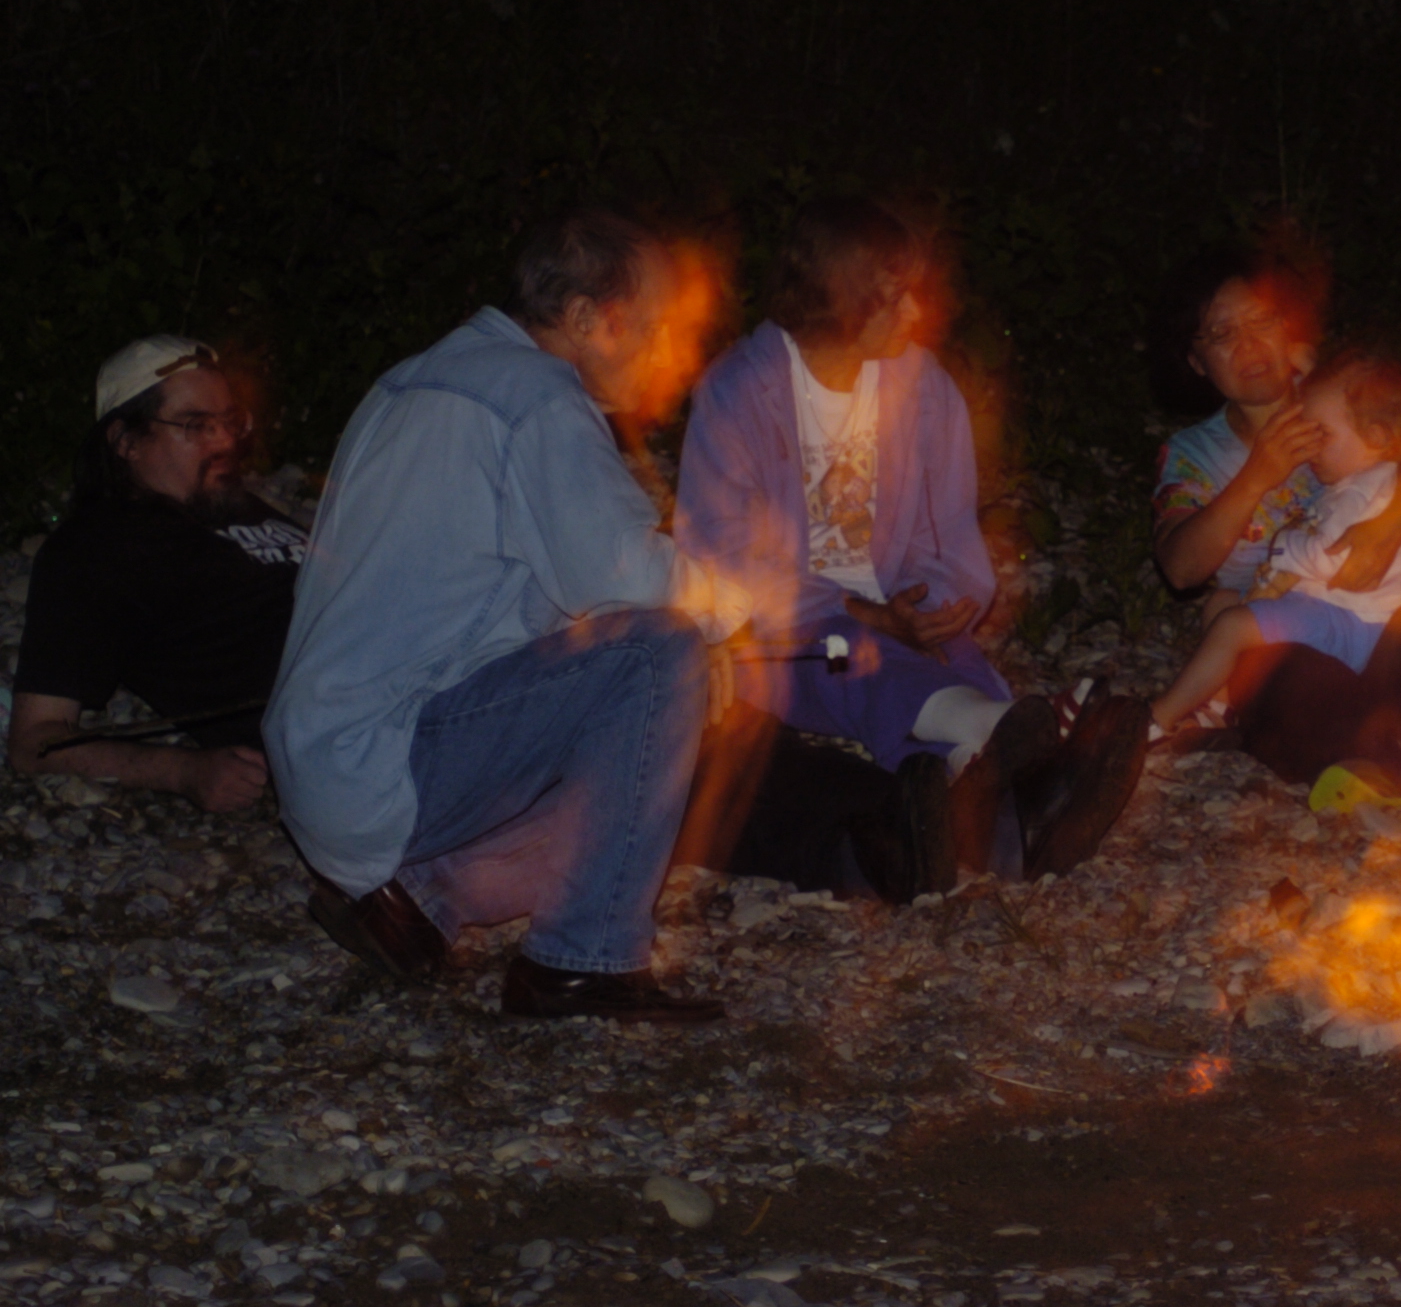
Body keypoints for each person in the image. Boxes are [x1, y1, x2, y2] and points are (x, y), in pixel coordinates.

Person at [266, 211, 740, 1023]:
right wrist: (740, 607)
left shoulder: (419, 376)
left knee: (638, 738)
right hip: (387, 758)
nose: (665, 348)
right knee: (657, 656)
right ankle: (581, 962)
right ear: (585, 318)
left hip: (326, 764)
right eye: (653, 325)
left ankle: (422, 899)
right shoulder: (536, 395)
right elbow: (629, 580)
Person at [675, 195, 1147, 899]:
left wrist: (932, 607)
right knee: (856, 658)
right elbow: (723, 555)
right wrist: (862, 614)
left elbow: (948, 531)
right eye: (894, 297)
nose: (915, 312)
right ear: (841, 299)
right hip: (791, 630)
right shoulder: (739, 392)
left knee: (947, 660)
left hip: (895, 614)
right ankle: (1022, 735)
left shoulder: (922, 387)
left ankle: (1014, 828)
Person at [1151, 252, 1401, 788]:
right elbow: (1181, 569)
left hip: (1379, 623)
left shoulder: (1337, 395)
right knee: (1281, 674)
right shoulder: (1193, 455)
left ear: (1287, 327)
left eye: (1261, 321)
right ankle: (1359, 765)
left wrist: (1386, 529)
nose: (1249, 345)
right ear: (1196, 360)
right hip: (1293, 633)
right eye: (1222, 333)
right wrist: (1258, 475)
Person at [7, 336, 299, 812]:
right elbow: (34, 741)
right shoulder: (94, 551)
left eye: (230, 422)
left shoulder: (235, 504)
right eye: (196, 425)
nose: (225, 441)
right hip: (352, 725)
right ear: (126, 442)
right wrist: (183, 771)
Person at [1151, 349, 1401, 731]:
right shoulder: (1355, 478)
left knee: (1232, 625)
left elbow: (1331, 557)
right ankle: (1220, 710)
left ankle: (1157, 718)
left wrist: (1284, 546)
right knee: (1220, 603)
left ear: (1376, 437)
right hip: (1332, 605)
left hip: (1358, 623)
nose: (1312, 446)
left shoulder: (1366, 489)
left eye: (1323, 434)